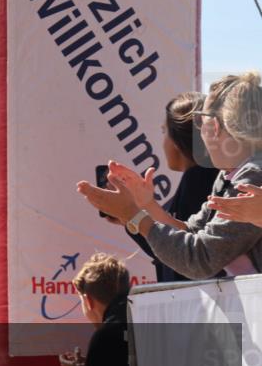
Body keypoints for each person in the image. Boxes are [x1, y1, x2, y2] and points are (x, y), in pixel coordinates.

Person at [77, 71, 262, 278]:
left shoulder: (253, 176)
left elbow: (199, 259)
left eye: (200, 120)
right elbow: (190, 232)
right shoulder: (230, 175)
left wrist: (133, 215)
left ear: (215, 126)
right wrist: (146, 204)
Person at [107, 92, 217, 282]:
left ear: (176, 140)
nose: (163, 140)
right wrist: (129, 216)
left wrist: (132, 214)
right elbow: (166, 247)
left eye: (164, 131)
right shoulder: (202, 177)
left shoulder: (198, 179)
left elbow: (180, 253)